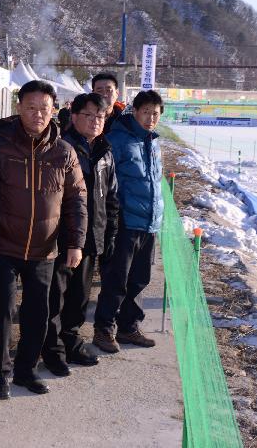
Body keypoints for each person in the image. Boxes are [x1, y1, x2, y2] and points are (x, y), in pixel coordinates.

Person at [0, 80, 86, 400]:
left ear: (54, 111)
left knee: (38, 313)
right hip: (3, 243)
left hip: (44, 249)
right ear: (19, 107)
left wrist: (75, 243)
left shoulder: (64, 151)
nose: (37, 115)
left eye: (44, 109)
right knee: (3, 309)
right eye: (31, 108)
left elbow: (76, 201)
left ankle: (25, 370)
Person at [42, 93, 118, 377]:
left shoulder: (105, 152)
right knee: (55, 297)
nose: (96, 121)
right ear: (74, 117)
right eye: (89, 115)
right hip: (62, 238)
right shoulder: (61, 148)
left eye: (100, 117)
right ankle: (51, 349)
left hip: (91, 238)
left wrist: (108, 234)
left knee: (80, 297)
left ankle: (71, 341)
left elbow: (111, 199)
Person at [93, 89, 164, 354]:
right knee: (116, 280)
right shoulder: (117, 140)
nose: (150, 118)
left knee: (139, 280)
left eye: (155, 114)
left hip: (149, 223)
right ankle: (104, 329)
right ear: (135, 111)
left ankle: (128, 327)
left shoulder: (153, 142)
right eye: (145, 112)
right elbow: (109, 183)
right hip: (125, 222)